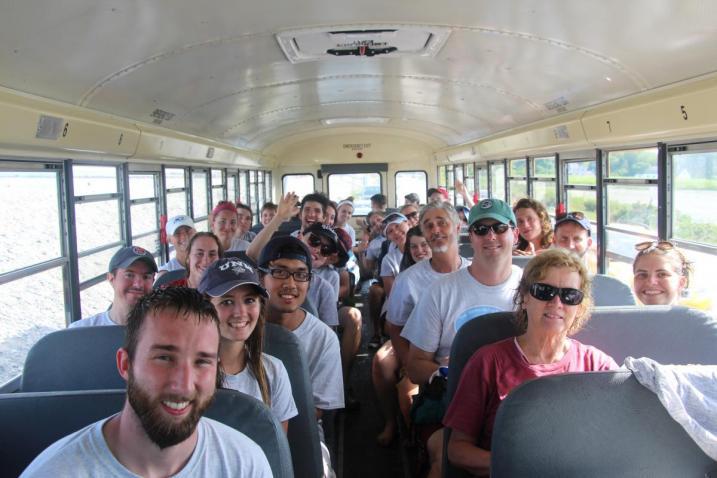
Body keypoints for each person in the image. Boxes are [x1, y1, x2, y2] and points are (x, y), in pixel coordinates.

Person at [22, 287, 272, 477]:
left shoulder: (245, 465)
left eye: (202, 361)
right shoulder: (54, 471)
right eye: (164, 358)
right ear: (125, 365)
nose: (183, 385)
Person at [444, 249, 618, 476]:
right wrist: (517, 465)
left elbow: (617, 437)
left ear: (579, 307)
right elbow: (457, 450)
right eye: (544, 291)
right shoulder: (488, 362)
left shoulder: (597, 366)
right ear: (525, 297)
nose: (556, 302)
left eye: (570, 296)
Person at [401, 198, 523, 478]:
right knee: (444, 462)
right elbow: (416, 364)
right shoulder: (441, 292)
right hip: (453, 400)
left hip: (515, 401)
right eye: (481, 229)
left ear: (514, 234)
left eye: (499, 227)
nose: (490, 236)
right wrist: (450, 375)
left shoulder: (534, 291)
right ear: (472, 237)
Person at [373, 202, 470, 446]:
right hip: (414, 346)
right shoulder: (408, 280)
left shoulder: (475, 272)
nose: (436, 230)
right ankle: (396, 424)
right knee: (385, 368)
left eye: (442, 223)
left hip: (459, 352)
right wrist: (410, 363)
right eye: (429, 225)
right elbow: (395, 327)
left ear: (457, 227)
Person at [257, 236, 344, 477]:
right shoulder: (241, 327)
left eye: (300, 275)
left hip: (302, 428)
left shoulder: (323, 338)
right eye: (280, 273)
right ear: (260, 277)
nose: (291, 284)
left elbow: (315, 410)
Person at [199, 258, 297, 431]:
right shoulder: (189, 376)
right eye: (227, 302)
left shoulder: (274, 371)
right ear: (206, 308)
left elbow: (277, 449)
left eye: (249, 300)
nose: (240, 312)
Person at [70, 246, 157, 327]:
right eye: (129, 275)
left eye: (146, 277)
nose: (138, 285)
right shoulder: (80, 332)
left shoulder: (165, 330)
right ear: (111, 278)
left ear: (153, 281)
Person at [632, 240, 692, 305]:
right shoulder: (624, 314)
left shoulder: (694, 315)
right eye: (642, 275)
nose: (651, 282)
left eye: (662, 274)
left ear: (681, 282)